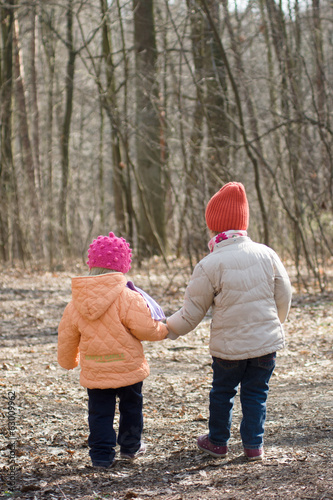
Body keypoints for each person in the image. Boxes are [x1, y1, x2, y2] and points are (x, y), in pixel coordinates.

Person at [167, 182, 292, 461]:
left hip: (229, 348)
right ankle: (253, 446)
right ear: (243, 223)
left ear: (213, 227)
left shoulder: (210, 264)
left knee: (223, 392)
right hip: (265, 344)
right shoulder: (267, 253)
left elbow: (191, 313)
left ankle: (218, 442)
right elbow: (284, 293)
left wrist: (167, 328)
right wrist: (275, 323)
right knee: (256, 393)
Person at [58, 232, 168, 469]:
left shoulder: (75, 302)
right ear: (122, 266)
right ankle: (130, 447)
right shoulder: (128, 297)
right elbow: (146, 329)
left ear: (91, 264)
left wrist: (68, 361)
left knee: (99, 414)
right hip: (128, 368)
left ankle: (100, 455)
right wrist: (164, 330)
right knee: (131, 407)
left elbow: (67, 336)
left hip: (96, 371)